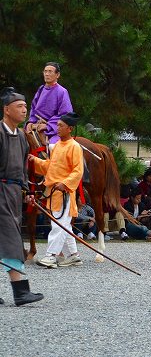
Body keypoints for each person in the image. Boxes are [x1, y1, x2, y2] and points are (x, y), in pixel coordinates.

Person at [0, 88, 45, 305]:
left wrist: (27, 192)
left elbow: (23, 171)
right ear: (6, 109)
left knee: (9, 236)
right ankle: (20, 291)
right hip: (1, 192)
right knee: (11, 238)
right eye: (19, 106)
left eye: (25, 106)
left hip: (13, 193)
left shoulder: (21, 137)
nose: (24, 110)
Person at [30, 112, 84, 268]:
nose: (57, 128)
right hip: (54, 190)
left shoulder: (74, 147)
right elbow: (50, 166)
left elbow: (78, 171)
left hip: (64, 191)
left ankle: (51, 256)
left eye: (61, 125)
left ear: (70, 128)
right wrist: (35, 161)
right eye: (57, 125)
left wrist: (65, 183)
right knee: (63, 225)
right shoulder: (57, 146)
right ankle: (73, 255)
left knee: (58, 224)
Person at [25, 62, 74, 145]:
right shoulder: (41, 89)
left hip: (54, 130)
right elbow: (33, 108)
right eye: (45, 71)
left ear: (57, 75)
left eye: (50, 71)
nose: (47, 74)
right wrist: (30, 122)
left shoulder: (62, 91)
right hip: (36, 126)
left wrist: (48, 126)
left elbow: (66, 114)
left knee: (53, 146)